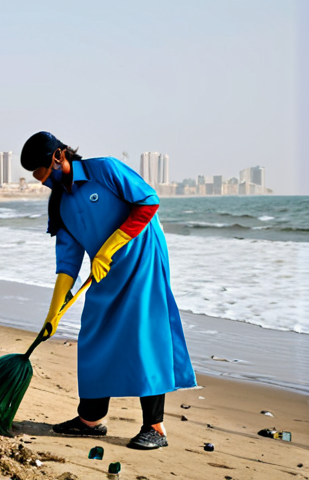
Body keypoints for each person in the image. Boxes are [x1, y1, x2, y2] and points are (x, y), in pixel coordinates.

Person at [20, 131, 196, 450]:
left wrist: (109, 247)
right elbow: (68, 263)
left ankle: (155, 427)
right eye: (39, 179)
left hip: (142, 259)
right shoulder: (60, 202)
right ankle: (90, 420)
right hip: (106, 270)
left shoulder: (106, 170)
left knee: (143, 335)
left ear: (59, 157)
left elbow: (148, 202)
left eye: (45, 174)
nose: (44, 182)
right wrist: (53, 314)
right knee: (93, 335)